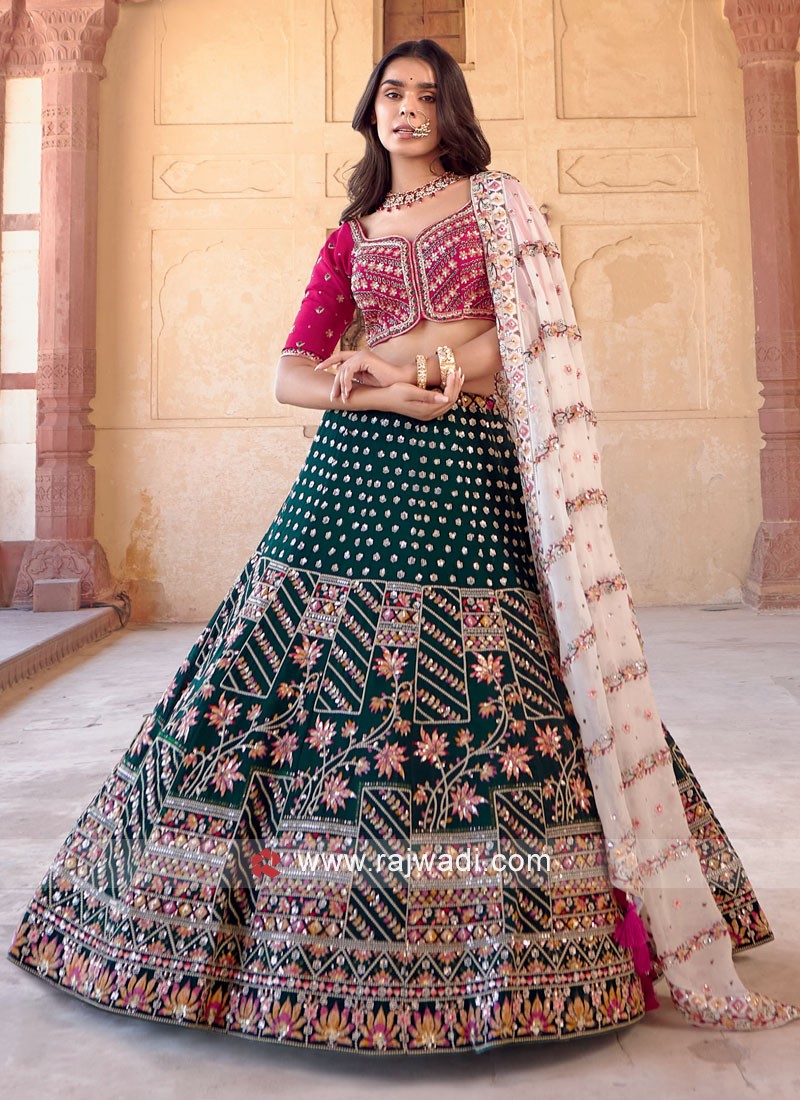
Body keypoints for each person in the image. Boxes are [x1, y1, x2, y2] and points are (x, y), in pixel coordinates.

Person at [6, 38, 798, 1055]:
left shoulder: (495, 207)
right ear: (369, 111)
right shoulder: (349, 237)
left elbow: (509, 344)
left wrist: (392, 363)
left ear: (450, 111)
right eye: (392, 93)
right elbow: (292, 374)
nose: (409, 109)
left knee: (487, 688)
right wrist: (388, 384)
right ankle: (279, 932)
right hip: (349, 476)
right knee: (280, 668)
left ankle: (508, 937)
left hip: (463, 474)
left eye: (427, 95)